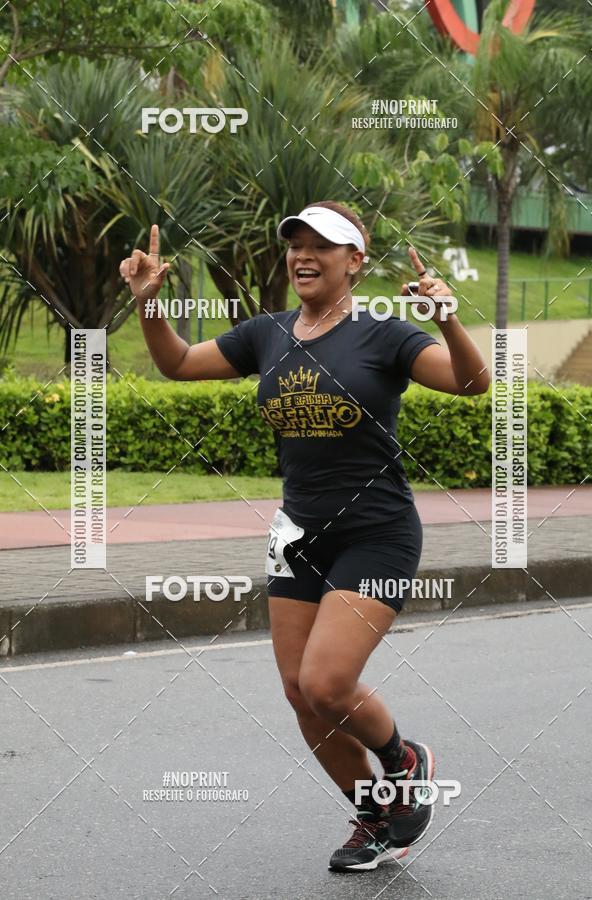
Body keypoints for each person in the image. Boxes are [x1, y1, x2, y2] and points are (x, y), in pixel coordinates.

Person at [119, 203, 490, 873]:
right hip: (297, 534)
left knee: (327, 682)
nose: (304, 254)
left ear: (356, 262)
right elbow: (176, 363)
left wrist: (449, 319)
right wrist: (149, 306)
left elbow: (470, 382)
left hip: (376, 534)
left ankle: (406, 759)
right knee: (299, 692)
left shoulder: (384, 334)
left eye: (325, 244)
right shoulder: (268, 334)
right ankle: (377, 816)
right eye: (295, 243)